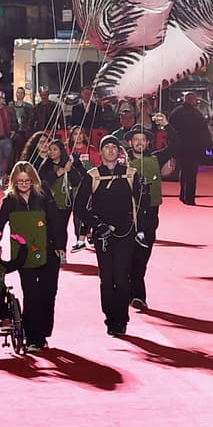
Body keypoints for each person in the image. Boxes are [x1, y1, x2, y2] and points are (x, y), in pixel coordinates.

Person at [0, 160, 63, 349]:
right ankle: (34, 338)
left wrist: (60, 245)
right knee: (31, 295)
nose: (24, 184)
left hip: (48, 252)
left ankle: (42, 331)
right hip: (23, 256)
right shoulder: (9, 201)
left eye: (27, 181)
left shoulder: (43, 196)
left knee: (48, 294)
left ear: (33, 180)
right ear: (14, 182)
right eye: (20, 181)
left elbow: (56, 221)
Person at [87, 134, 145, 337]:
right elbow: (79, 208)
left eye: (114, 147)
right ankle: (110, 318)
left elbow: (141, 203)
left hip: (125, 233)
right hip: (103, 235)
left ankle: (121, 319)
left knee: (122, 277)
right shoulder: (93, 175)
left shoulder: (131, 174)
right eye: (106, 147)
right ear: (101, 152)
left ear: (119, 151)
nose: (110, 150)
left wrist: (140, 229)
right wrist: (97, 225)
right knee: (106, 278)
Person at [126, 125, 164, 310]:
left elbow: (179, 145)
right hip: (127, 216)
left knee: (142, 258)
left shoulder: (156, 158)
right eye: (136, 139)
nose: (139, 142)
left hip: (150, 216)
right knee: (127, 257)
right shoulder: (121, 161)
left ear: (148, 142)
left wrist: (166, 125)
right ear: (129, 142)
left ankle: (137, 295)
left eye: (143, 139)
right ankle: (135, 294)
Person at [167, 92, 211, 204]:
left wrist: (171, 145)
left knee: (183, 171)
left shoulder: (176, 112)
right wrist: (208, 144)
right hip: (193, 148)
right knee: (191, 173)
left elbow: (169, 130)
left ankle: (182, 195)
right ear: (192, 100)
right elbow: (204, 131)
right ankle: (189, 198)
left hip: (180, 147)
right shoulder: (197, 114)